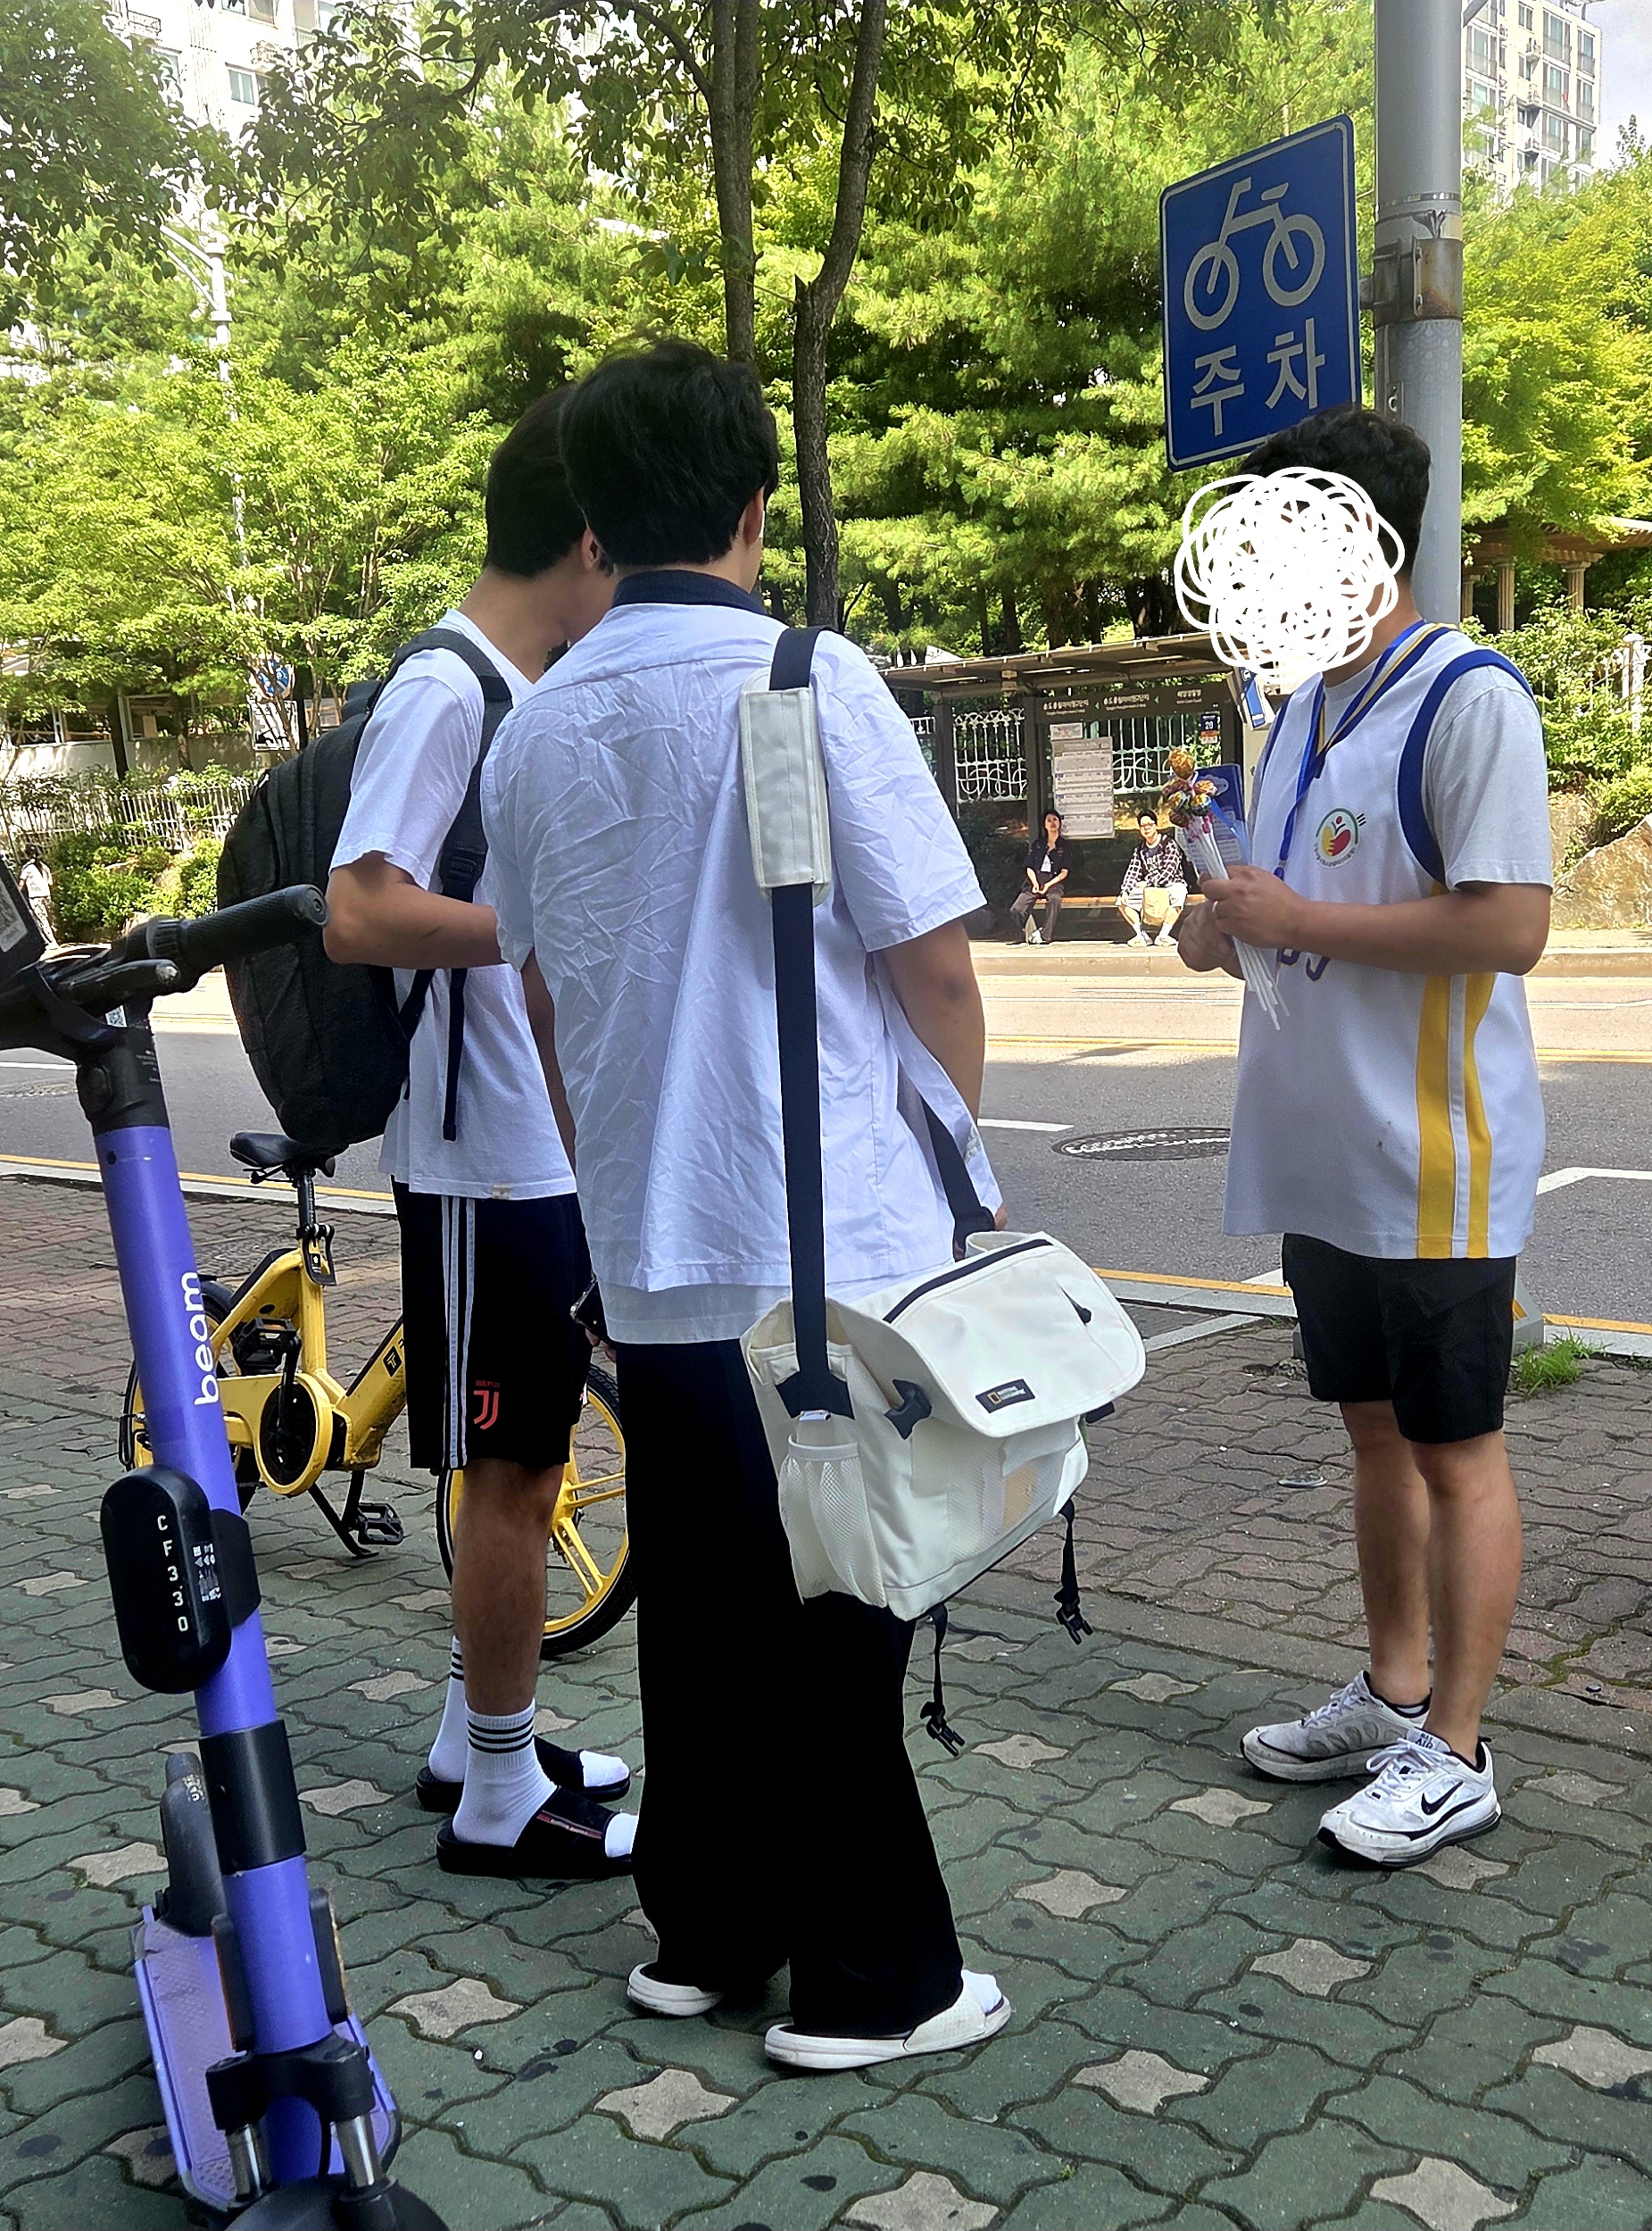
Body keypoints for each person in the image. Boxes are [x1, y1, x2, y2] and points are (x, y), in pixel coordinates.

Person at [479, 337, 1010, 2071]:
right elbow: (932, 964)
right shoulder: (798, 680)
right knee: (841, 1618)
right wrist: (949, 1160)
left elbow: (545, 1002)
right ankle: (871, 1981)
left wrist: (623, 1177)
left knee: (704, 1614)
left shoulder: (536, 726)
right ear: (755, 508)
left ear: (593, 524)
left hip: (654, 1249)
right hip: (823, 1251)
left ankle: (703, 1934)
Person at [1176, 401, 1554, 1869]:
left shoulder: (1467, 700)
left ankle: (1456, 1749)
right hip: (1320, 1148)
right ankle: (1392, 1687)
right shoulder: (1294, 713)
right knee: (1374, 1430)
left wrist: (1298, 916)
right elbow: (1283, 914)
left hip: (1433, 1155)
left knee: (1458, 1447)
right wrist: (1224, 926)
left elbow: (1509, 924)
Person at [320, 387, 635, 1879]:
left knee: (530, 1452)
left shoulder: (510, 687)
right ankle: (500, 1793)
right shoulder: (447, 688)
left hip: (528, 1148)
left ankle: (476, 1733)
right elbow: (357, 906)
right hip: (479, 1158)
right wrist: (533, 922)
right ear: (589, 542)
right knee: (507, 1468)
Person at [1115, 812, 1189, 948]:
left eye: (1149, 824)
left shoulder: (1168, 844)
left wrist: (1148, 883)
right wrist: (1125, 891)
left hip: (1171, 883)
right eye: (1143, 826)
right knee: (1122, 902)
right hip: (1149, 888)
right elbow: (1132, 872)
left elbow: (1169, 871)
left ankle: (1163, 935)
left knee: (1179, 894)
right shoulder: (1140, 850)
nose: (1146, 828)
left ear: (1155, 825)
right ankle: (1141, 936)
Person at [1007, 810, 1072, 944]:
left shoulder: (1065, 846)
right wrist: (1035, 883)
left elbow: (1064, 872)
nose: (1052, 823)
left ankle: (1046, 935)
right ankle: (1022, 933)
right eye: (1049, 820)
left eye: (1055, 820)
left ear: (1060, 823)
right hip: (1035, 881)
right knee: (1016, 909)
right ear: (1044, 825)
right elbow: (1029, 866)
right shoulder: (1038, 845)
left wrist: (1048, 885)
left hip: (1054, 882)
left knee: (1054, 900)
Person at [17, 848, 54, 931]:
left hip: (35, 897)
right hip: (47, 895)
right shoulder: (45, 867)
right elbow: (50, 883)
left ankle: (51, 938)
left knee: (43, 921)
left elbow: (21, 884)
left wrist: (16, 893)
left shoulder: (27, 868)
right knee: (51, 919)